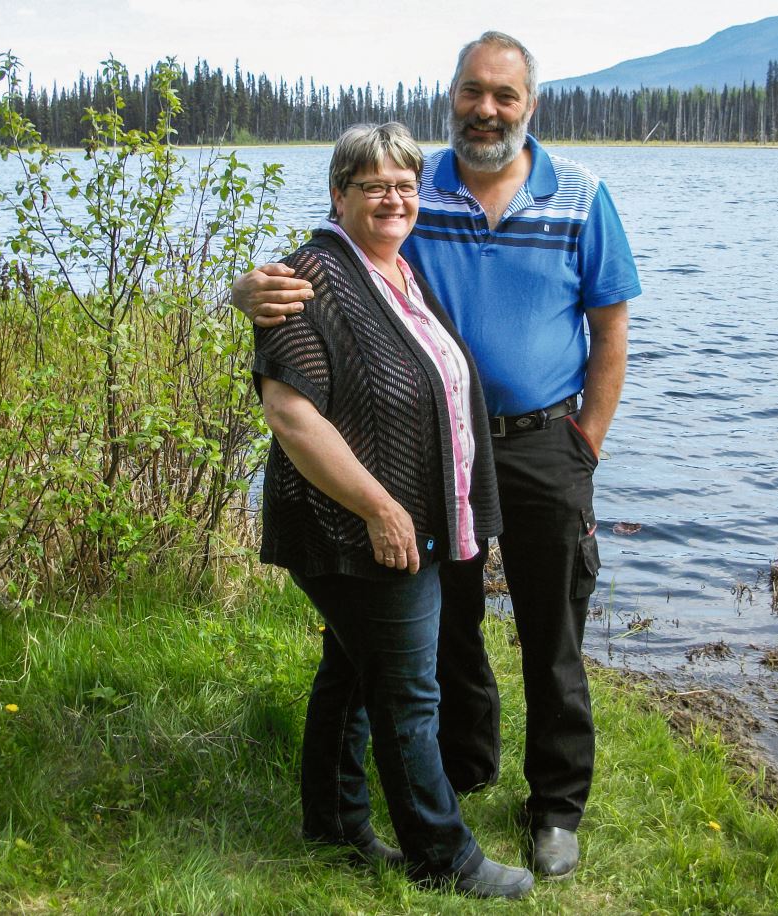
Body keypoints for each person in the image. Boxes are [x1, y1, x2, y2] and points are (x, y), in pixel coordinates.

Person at [236, 33, 642, 879]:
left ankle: (556, 806)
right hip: (429, 464)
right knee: (445, 630)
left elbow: (611, 328)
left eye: (504, 94)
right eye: (471, 92)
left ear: (531, 103)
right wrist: (245, 289)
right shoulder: (420, 186)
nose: (485, 109)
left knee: (551, 632)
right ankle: (461, 772)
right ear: (450, 95)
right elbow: (328, 268)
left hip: (542, 446)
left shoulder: (582, 195)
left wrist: (587, 443)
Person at [252, 121, 534, 899]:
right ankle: (445, 858)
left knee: (350, 670)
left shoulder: (397, 272)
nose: (393, 197)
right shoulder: (314, 277)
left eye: (406, 183)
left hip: (403, 522)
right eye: (373, 184)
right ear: (338, 193)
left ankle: (335, 824)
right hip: (354, 526)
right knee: (410, 694)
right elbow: (291, 413)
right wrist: (379, 506)